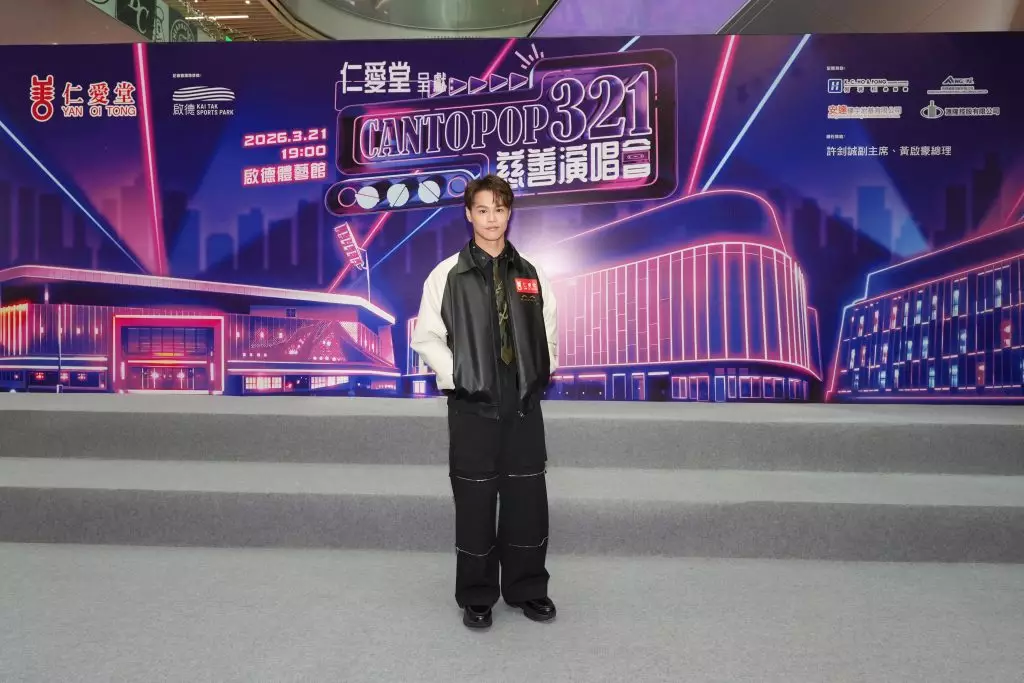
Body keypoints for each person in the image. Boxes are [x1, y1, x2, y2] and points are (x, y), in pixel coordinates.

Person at [410, 174, 558, 629]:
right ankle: (477, 594)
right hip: (472, 405)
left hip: (522, 403)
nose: (492, 219)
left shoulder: (531, 273)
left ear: (509, 214)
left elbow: (548, 330)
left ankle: (527, 588)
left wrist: (539, 372)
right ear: (468, 214)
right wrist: (461, 377)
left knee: (527, 499)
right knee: (475, 501)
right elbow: (427, 337)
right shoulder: (446, 275)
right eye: (483, 210)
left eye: (500, 209)